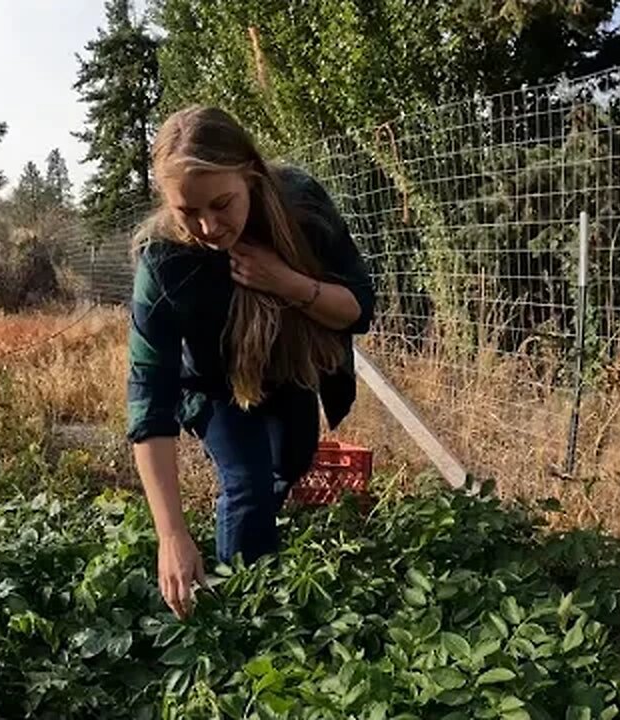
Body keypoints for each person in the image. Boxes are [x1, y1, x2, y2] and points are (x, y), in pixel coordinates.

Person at [126, 105, 376, 619]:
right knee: (247, 483)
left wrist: (284, 281)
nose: (207, 226)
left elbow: (357, 309)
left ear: (252, 174)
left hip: (290, 371)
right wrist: (171, 534)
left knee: (292, 460)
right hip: (216, 388)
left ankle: (255, 535)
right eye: (186, 212)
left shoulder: (301, 204)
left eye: (222, 204)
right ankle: (248, 620)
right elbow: (149, 399)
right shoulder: (164, 262)